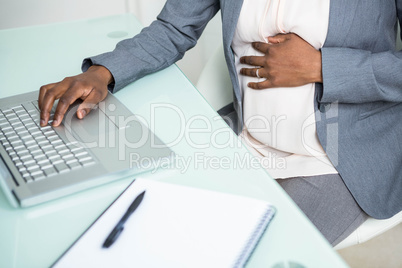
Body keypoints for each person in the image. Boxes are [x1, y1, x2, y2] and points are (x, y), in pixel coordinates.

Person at [38, 0, 402, 246]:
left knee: (251, 251)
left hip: (345, 151)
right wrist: (103, 73)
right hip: (246, 136)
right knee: (151, 230)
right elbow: (173, 29)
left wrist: (323, 66)